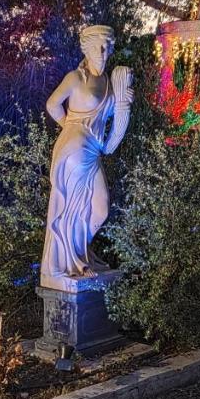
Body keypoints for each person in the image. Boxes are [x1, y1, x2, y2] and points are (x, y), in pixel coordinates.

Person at [40, 25, 132, 290]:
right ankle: (73, 262)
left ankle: (77, 255)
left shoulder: (108, 83)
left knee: (99, 208)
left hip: (93, 149)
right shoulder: (75, 78)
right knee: (73, 209)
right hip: (75, 149)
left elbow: (115, 117)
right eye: (98, 47)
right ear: (87, 49)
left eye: (107, 47)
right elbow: (52, 104)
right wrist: (70, 127)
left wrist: (124, 100)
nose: (103, 52)